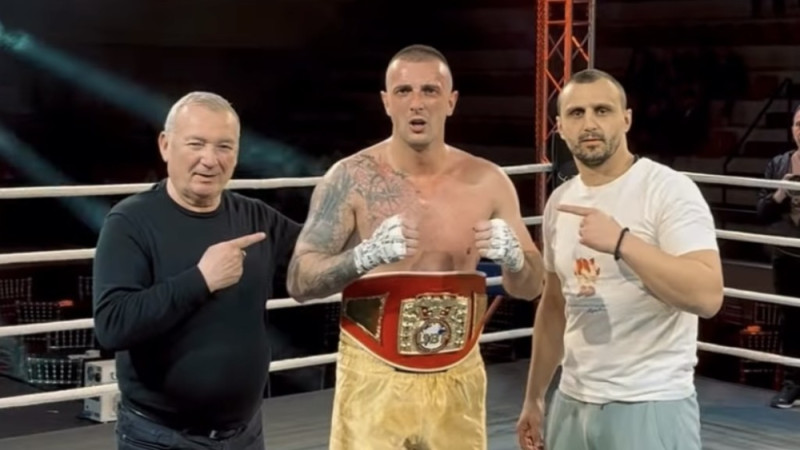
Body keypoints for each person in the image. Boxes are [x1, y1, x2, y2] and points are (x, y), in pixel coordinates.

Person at [286, 44, 545, 450]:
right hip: (373, 377)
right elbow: (299, 281)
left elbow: (531, 286)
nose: (417, 103)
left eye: (430, 90)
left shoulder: (489, 181)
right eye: (404, 91)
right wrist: (363, 256)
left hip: (459, 378)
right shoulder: (350, 179)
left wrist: (514, 260)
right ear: (386, 102)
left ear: (451, 101)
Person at [515, 69, 724, 450]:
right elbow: (555, 305)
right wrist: (535, 397)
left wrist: (622, 242)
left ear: (626, 119)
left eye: (602, 110)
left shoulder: (668, 190)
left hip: (650, 402)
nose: (589, 124)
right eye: (576, 113)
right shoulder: (560, 202)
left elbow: (707, 296)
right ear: (560, 127)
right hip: (572, 400)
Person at [92, 91, 302, 450]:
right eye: (196, 144)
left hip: (245, 434)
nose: (210, 160)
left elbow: (315, 251)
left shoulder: (254, 216)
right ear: (165, 145)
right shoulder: (130, 222)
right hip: (161, 438)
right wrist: (202, 279)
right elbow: (112, 326)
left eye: (224, 147)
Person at [756, 104, 800, 409]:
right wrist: (781, 193)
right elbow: (761, 212)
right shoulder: (778, 163)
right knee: (791, 320)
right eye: (797, 124)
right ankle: (793, 384)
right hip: (787, 254)